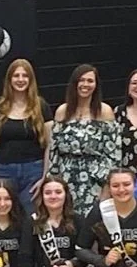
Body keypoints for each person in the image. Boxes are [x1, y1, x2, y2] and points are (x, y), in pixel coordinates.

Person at [49, 64, 121, 217]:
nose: (85, 85)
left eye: (90, 81)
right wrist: (52, 183)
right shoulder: (62, 111)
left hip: (95, 181)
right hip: (66, 179)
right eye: (81, 80)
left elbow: (113, 156)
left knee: (92, 228)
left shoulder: (105, 112)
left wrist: (107, 189)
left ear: (96, 85)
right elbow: (53, 153)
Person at [0, 59, 53, 212]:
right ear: (9, 80)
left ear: (31, 80)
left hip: (34, 171)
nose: (20, 80)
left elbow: (50, 145)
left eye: (25, 76)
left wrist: (45, 177)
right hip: (3, 171)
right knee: (5, 218)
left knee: (31, 218)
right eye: (16, 76)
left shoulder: (42, 107)